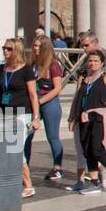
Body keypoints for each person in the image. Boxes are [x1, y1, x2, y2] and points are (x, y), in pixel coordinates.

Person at [69, 49, 106, 194]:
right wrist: (73, 117)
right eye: (90, 61)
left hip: (100, 117)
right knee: (87, 150)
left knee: (97, 149)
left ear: (102, 63)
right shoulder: (84, 78)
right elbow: (78, 98)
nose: (92, 63)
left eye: (96, 61)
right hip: (84, 117)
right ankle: (94, 182)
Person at [0, 38, 41, 198]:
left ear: (17, 51)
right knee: (4, 149)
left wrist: (36, 117)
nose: (6, 51)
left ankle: (28, 186)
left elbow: (33, 95)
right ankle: (10, 180)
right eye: (4, 48)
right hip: (3, 113)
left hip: (21, 113)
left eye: (9, 49)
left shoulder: (26, 70)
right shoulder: (1, 69)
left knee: (16, 149)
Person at [30, 33, 66, 183]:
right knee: (28, 133)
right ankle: (23, 164)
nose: (36, 48)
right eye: (35, 45)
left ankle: (57, 167)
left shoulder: (53, 64)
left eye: (39, 46)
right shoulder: (32, 63)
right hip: (35, 102)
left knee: (53, 136)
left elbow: (58, 88)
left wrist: (42, 100)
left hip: (49, 102)